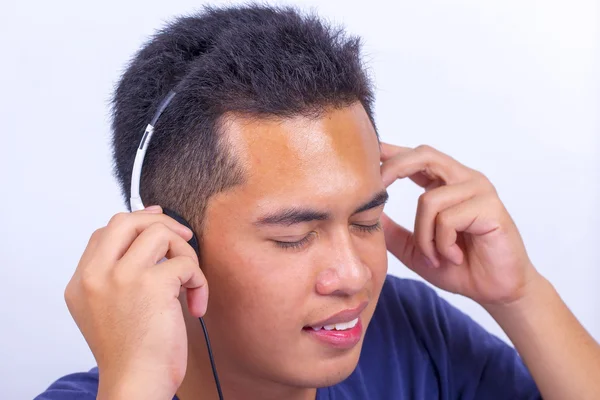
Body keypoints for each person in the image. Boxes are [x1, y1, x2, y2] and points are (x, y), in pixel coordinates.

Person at [35, 4, 600, 400]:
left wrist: (521, 295)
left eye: (366, 221)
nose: (354, 276)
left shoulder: (406, 333)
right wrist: (134, 386)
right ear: (171, 248)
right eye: (294, 236)